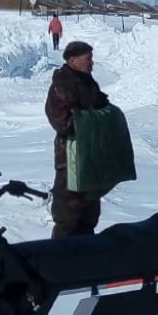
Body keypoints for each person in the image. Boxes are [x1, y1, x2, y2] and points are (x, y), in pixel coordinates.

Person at [45, 41, 108, 238]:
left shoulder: (89, 83)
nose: (92, 63)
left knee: (89, 216)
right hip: (70, 161)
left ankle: (87, 260)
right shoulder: (62, 85)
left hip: (90, 160)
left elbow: (102, 109)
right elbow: (61, 122)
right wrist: (92, 119)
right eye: (88, 59)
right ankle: (60, 262)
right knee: (68, 217)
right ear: (72, 60)